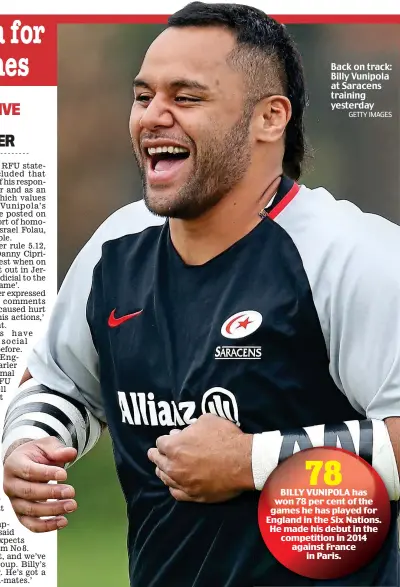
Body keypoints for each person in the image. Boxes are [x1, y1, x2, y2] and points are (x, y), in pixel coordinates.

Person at [2, 3, 400, 586]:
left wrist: (252, 462)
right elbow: (58, 382)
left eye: (186, 98)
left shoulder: (354, 255)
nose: (152, 117)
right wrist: (28, 446)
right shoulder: (116, 247)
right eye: (143, 97)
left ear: (270, 118)